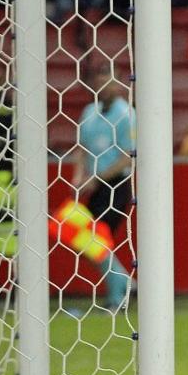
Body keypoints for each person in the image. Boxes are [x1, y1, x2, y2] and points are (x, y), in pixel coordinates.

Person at [70, 71, 134, 310]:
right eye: (99, 83)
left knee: (97, 241)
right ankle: (124, 282)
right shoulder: (89, 112)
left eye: (108, 82)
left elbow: (127, 157)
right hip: (93, 186)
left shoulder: (127, 114)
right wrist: (78, 177)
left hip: (116, 184)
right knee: (84, 238)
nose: (103, 87)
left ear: (118, 86)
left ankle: (117, 297)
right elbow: (82, 148)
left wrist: (96, 179)